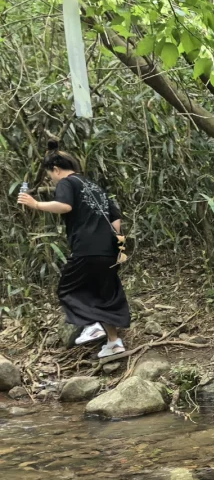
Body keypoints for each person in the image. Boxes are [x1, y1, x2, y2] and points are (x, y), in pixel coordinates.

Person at [17, 148, 129, 358]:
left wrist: (35, 204)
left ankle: (92, 325)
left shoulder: (67, 183)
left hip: (86, 248)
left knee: (68, 290)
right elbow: (115, 218)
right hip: (108, 250)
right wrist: (117, 245)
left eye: (50, 175)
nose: (51, 180)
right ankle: (114, 342)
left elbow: (65, 206)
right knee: (103, 294)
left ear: (56, 169)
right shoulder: (94, 186)